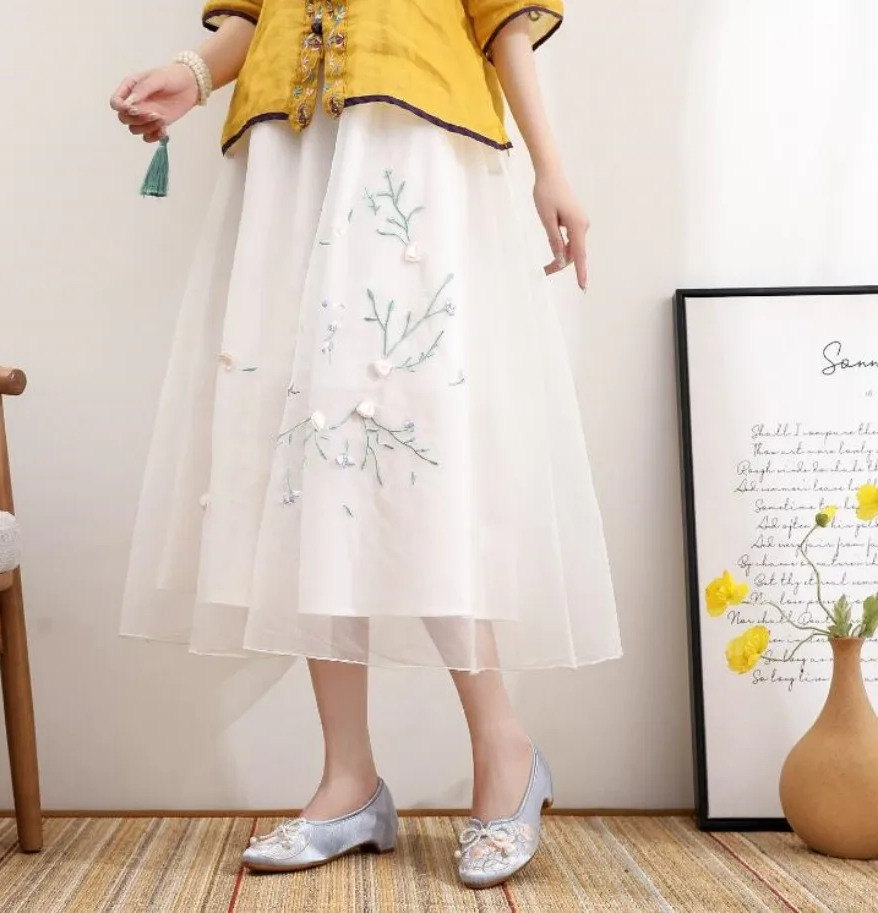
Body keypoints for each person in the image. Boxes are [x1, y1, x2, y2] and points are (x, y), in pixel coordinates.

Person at [111, 0, 621, 890]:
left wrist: (553, 167)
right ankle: (347, 776)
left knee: (412, 444)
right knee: (303, 457)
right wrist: (192, 74)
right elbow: (254, 15)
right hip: (291, 148)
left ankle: (504, 749)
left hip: (409, 136)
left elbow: (502, 16)